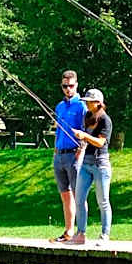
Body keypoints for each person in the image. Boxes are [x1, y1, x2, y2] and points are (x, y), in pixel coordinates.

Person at [67, 89, 112, 246]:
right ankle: (81, 234)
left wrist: (84, 135)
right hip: (86, 163)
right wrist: (81, 147)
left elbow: (100, 142)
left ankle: (105, 235)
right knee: (79, 199)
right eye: (86, 101)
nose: (87, 103)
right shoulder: (88, 116)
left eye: (90, 101)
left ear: (98, 103)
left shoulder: (106, 120)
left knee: (103, 201)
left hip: (101, 164)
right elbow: (86, 139)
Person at [49, 70, 87, 243]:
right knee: (65, 194)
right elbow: (58, 129)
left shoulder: (81, 106)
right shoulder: (60, 106)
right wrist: (55, 150)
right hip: (60, 155)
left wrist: (82, 150)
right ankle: (68, 231)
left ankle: (81, 231)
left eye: (71, 86)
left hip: (74, 154)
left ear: (76, 85)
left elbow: (86, 130)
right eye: (65, 86)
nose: (68, 89)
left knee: (78, 195)